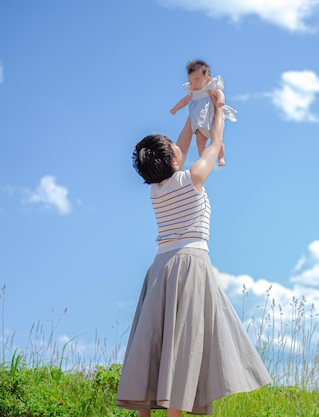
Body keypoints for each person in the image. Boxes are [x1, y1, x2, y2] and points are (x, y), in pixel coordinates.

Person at [116, 92, 271, 416]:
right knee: (185, 343)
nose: (178, 146)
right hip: (190, 264)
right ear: (173, 161)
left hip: (160, 267)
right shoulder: (192, 179)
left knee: (154, 342)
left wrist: (193, 109)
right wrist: (216, 110)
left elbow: (183, 145)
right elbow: (214, 144)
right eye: (173, 148)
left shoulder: (157, 191)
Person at [170, 59, 237, 167]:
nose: (194, 85)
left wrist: (220, 100)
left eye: (197, 81)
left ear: (207, 79)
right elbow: (184, 101)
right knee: (200, 141)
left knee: (217, 141)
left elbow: (220, 93)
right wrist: (175, 109)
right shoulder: (192, 93)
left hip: (212, 120)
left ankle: (221, 158)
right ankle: (202, 158)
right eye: (191, 82)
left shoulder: (209, 88)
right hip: (200, 122)